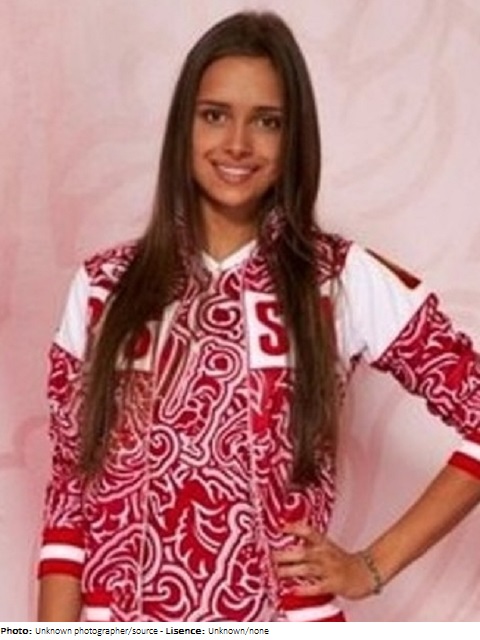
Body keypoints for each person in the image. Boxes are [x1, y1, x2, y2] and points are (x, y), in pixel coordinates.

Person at [37, 11, 480, 622]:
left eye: (267, 121)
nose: (238, 144)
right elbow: (69, 495)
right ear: (183, 126)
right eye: (215, 115)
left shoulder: (341, 279)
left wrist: (372, 565)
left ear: (294, 138)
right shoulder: (103, 286)